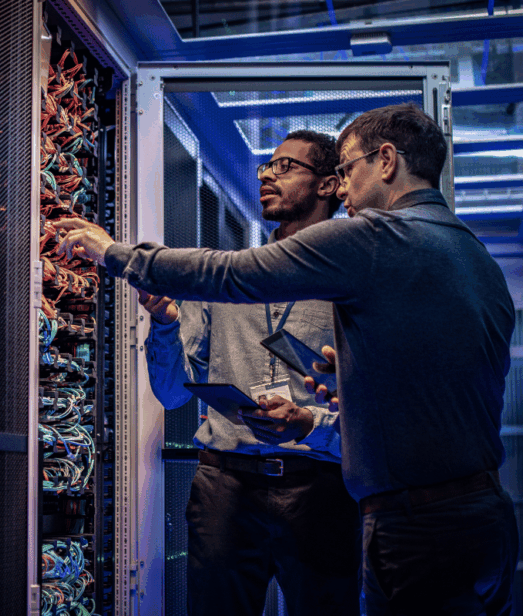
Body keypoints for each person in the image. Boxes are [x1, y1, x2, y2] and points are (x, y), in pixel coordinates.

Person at [54, 103, 519, 615]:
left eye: (347, 171)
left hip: (407, 520)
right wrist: (354, 384)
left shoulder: (377, 239)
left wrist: (115, 253)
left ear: (386, 161)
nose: (344, 190)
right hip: (478, 514)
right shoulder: (474, 257)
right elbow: (442, 380)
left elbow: (233, 276)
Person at [137, 131, 361, 616]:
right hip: (226, 486)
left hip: (321, 486)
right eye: (265, 167)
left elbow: (377, 399)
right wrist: (164, 323)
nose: (265, 176)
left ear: (327, 185)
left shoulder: (352, 279)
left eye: (284, 167)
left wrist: (308, 420)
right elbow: (173, 393)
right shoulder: (228, 275)